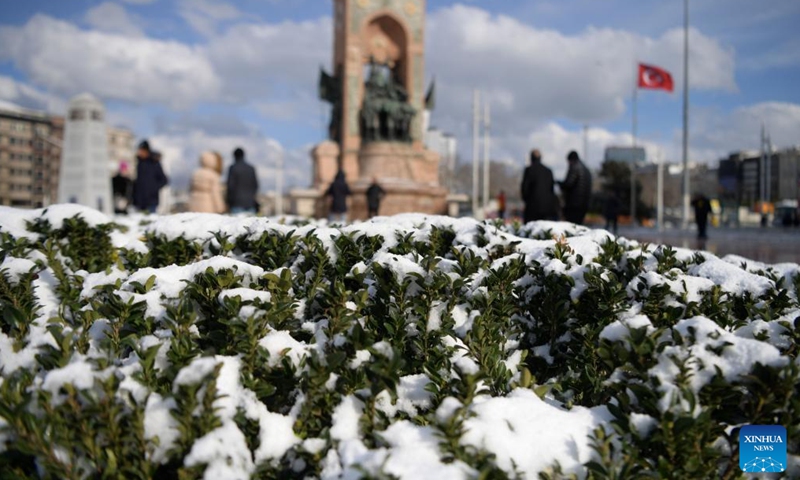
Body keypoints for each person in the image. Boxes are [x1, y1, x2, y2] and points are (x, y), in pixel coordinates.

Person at [520, 149, 559, 222]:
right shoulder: (548, 171)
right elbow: (552, 190)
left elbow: (525, 188)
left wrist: (527, 201)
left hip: (532, 208)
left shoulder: (529, 170)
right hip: (547, 208)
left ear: (531, 158)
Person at [132, 140, 168, 213]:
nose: (140, 152)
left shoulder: (154, 162)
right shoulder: (139, 163)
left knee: (152, 219)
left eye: (142, 150)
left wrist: (153, 188)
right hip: (139, 203)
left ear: (146, 151)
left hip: (152, 202)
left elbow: (164, 180)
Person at [558, 150, 592, 225]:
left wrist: (560, 184)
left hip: (574, 203)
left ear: (570, 160)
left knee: (571, 226)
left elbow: (568, 184)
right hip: (584, 204)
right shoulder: (586, 169)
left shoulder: (574, 167)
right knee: (578, 225)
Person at [226, 147, 259, 214]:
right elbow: (255, 185)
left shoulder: (233, 168)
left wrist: (228, 201)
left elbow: (230, 186)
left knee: (237, 220)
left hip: (236, 202)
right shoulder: (251, 168)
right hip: (250, 202)